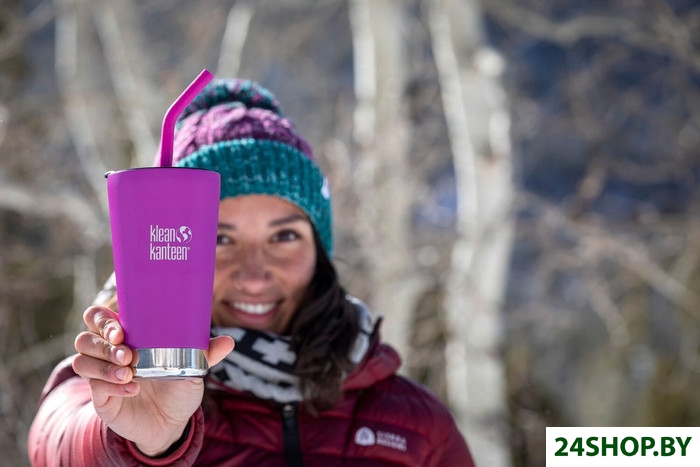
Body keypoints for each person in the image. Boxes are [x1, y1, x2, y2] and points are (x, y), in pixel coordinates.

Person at [28, 78, 475, 466]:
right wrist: (142, 442)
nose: (255, 274)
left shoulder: (416, 424)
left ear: (319, 250)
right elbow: (57, 445)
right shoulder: (110, 376)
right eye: (220, 239)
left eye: (284, 236)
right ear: (170, 248)